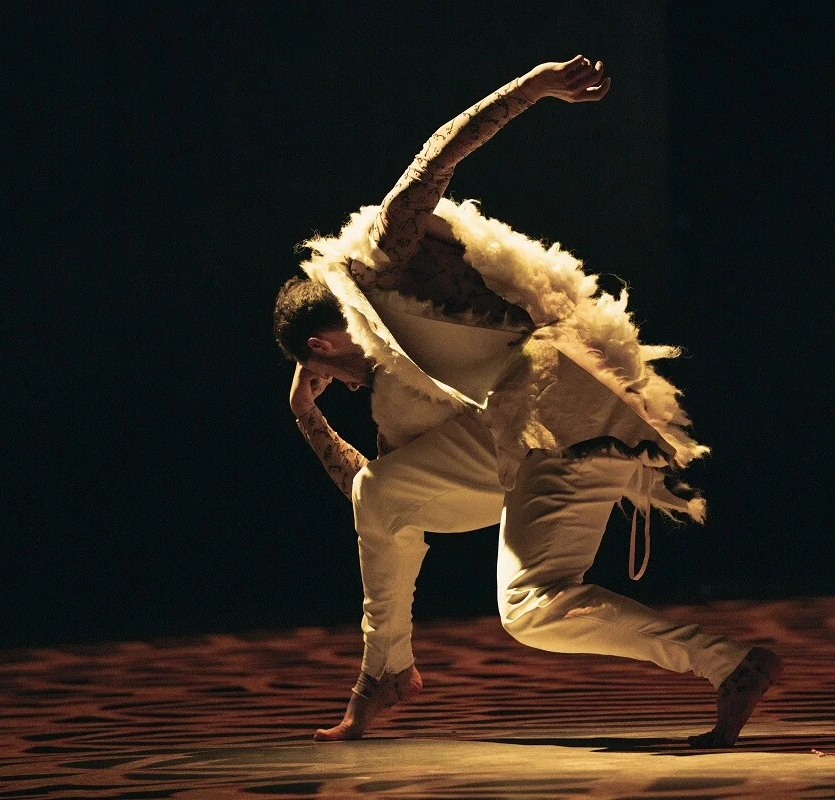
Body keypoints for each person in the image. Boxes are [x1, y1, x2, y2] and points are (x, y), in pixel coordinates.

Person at [273, 56, 782, 748]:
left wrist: (536, 86)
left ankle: (729, 664)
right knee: (384, 494)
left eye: (324, 374)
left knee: (531, 607)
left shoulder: (384, 261)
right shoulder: (408, 370)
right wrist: (307, 418)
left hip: (571, 415)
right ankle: (384, 674)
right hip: (524, 428)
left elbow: (433, 159)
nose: (344, 386)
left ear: (323, 344)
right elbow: (380, 498)